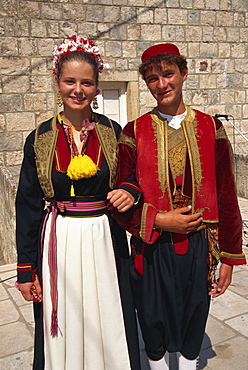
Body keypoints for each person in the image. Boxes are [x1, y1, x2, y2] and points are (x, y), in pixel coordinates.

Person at [110, 43, 246, 370]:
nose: (162, 85)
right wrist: (159, 220)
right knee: (153, 319)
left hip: (200, 245)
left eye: (168, 74)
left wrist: (228, 256)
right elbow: (119, 199)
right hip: (152, 247)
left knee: (194, 314)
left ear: (183, 74)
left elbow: (226, 191)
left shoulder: (210, 128)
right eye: (153, 79)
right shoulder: (133, 132)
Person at [15, 34, 141, 370]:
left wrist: (130, 190)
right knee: (66, 315)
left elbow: (135, 177)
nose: (78, 89)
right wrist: (27, 270)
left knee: (107, 311)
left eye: (87, 82)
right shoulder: (40, 138)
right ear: (57, 82)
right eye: (70, 81)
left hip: (104, 238)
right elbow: (26, 206)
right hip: (59, 239)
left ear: (97, 87)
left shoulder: (114, 133)